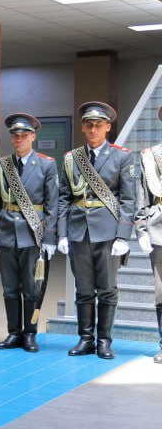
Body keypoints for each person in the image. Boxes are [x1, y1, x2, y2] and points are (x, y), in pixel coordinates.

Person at [57, 101, 136, 360]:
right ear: (82, 127)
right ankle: (85, 338)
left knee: (107, 289)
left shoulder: (122, 156)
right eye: (88, 125)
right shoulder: (71, 158)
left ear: (107, 127)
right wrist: (62, 233)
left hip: (108, 233)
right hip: (79, 232)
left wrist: (123, 235)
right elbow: (63, 198)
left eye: (98, 125)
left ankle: (104, 340)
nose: (93, 130)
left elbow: (128, 199)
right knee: (83, 288)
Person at [0, 114, 59, 353]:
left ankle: (30, 333)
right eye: (15, 135)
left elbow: (52, 205)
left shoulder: (46, 164)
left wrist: (49, 237)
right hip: (7, 232)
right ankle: (13, 332)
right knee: (9, 288)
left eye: (24, 135)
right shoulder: (1, 165)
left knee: (31, 287)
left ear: (33, 137)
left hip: (32, 233)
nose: (18, 139)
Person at [134, 107, 162, 364]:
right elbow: (143, 194)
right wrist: (141, 228)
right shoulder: (151, 156)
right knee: (161, 291)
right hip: (159, 228)